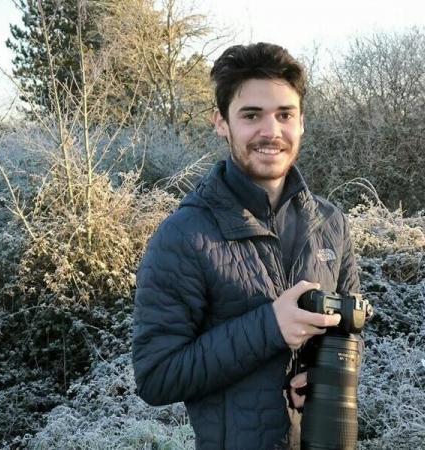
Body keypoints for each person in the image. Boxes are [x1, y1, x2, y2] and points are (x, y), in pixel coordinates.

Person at [132, 42, 360, 450]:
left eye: (284, 115)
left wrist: (318, 373)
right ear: (221, 122)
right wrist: (270, 327)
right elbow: (156, 375)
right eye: (251, 115)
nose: (271, 132)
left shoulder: (331, 224)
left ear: (302, 122)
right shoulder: (184, 236)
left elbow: (348, 333)